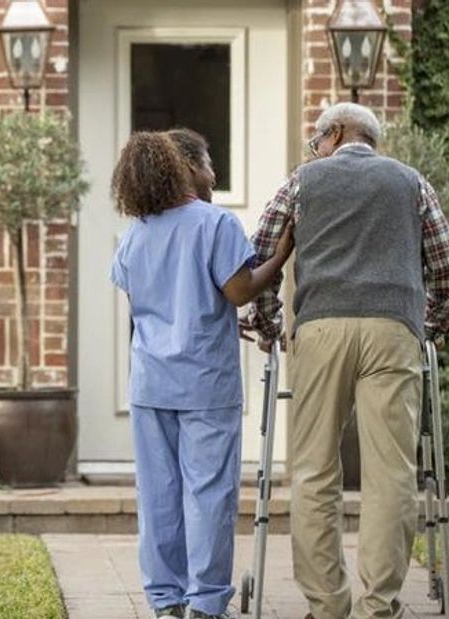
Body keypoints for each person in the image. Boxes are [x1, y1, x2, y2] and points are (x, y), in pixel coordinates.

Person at [243, 102, 449, 619]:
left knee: (314, 470)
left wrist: (269, 322)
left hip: (321, 330)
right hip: (393, 331)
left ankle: (326, 606)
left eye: (317, 140)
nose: (315, 151)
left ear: (336, 133)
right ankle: (378, 606)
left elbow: (260, 255)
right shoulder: (411, 182)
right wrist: (431, 325)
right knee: (391, 473)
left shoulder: (302, 181)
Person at [110, 131, 295, 619]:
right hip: (204, 385)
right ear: (186, 167)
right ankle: (207, 603)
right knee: (209, 493)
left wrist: (202, 317)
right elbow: (238, 291)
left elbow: (153, 300)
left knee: (158, 496)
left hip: (151, 383)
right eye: (209, 164)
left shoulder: (138, 231)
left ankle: (165, 600)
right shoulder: (216, 223)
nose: (214, 175)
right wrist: (279, 255)